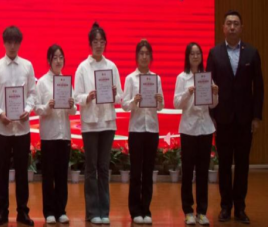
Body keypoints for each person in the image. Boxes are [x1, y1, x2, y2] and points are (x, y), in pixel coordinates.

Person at [207, 10, 263, 224]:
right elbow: (208, 86)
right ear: (223, 28)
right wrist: (211, 115)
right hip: (222, 118)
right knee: (223, 165)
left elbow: (259, 87)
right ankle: (225, 206)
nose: (232, 27)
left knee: (242, 165)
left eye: (236, 24)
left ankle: (240, 207)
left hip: (244, 120)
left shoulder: (252, 53)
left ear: (241, 28)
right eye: (229, 23)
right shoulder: (214, 53)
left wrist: (256, 117)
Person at [0, 26, 37, 226]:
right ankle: (2, 212)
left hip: (22, 128)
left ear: (20, 43)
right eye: (9, 42)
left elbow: (32, 93)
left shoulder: (27, 66)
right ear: (4, 43)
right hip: (3, 128)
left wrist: (28, 109)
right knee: (2, 172)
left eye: (16, 42)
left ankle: (23, 212)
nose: (12, 45)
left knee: (22, 172)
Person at [73, 22, 122, 225]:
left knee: (103, 167)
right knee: (91, 168)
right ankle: (92, 212)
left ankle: (104, 210)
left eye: (102, 42)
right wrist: (88, 96)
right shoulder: (83, 68)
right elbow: (76, 96)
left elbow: (120, 97)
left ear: (106, 44)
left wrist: (114, 94)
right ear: (90, 44)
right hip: (91, 123)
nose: (99, 45)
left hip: (107, 122)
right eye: (95, 42)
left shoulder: (112, 67)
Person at [174, 42, 219, 225]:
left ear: (201, 56)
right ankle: (188, 211)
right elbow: (176, 103)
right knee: (187, 172)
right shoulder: (182, 77)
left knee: (202, 172)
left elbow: (213, 104)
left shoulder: (206, 77)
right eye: (192, 54)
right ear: (187, 57)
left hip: (205, 128)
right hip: (188, 129)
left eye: (198, 53)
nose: (195, 56)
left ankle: (202, 211)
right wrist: (187, 93)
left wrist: (215, 93)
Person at [121, 40, 164, 224]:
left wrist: (159, 100)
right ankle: (135, 211)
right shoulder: (131, 78)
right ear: (136, 56)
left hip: (152, 129)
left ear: (151, 57)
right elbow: (124, 105)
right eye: (141, 53)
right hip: (136, 129)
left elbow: (161, 107)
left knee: (148, 171)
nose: (144, 57)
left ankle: (146, 209)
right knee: (136, 171)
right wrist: (134, 101)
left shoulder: (156, 78)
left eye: (147, 54)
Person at [34, 44, 76, 224]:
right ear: (48, 61)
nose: (58, 61)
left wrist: (71, 104)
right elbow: (37, 108)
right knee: (48, 175)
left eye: (61, 57)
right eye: (55, 58)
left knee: (61, 175)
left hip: (64, 134)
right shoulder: (42, 82)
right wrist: (47, 106)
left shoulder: (66, 82)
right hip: (49, 135)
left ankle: (61, 210)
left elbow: (73, 111)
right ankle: (49, 211)